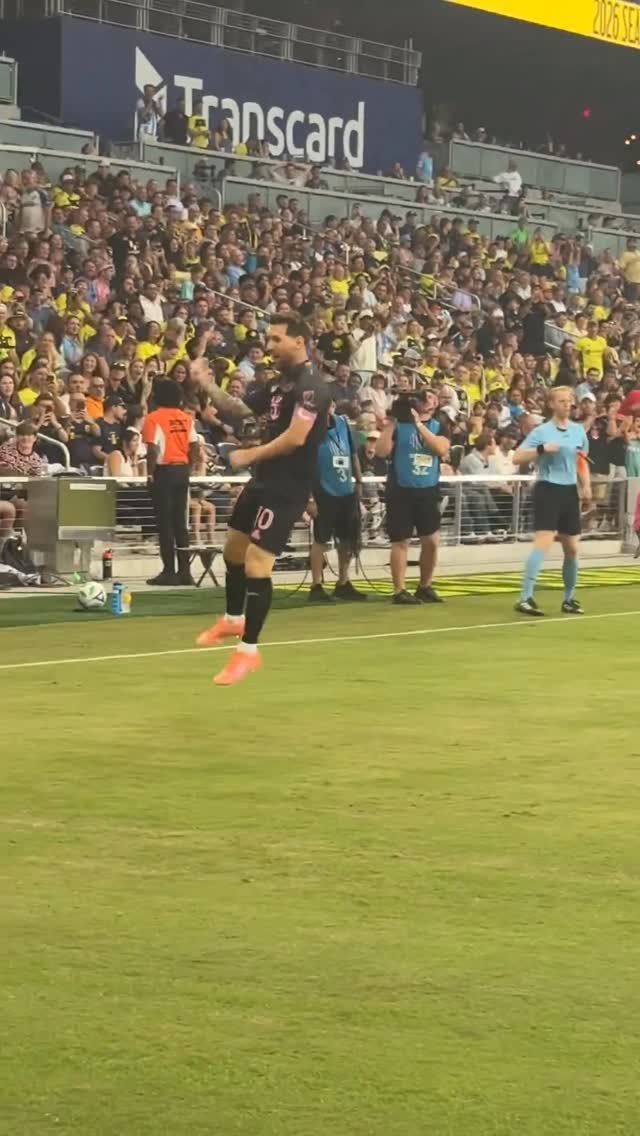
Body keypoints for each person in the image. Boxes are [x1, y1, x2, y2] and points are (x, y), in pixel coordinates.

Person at [196, 314, 331, 686]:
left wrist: (247, 457)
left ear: (299, 341)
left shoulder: (312, 387)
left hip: (288, 486)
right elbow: (241, 409)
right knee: (233, 551)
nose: (268, 347)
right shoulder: (278, 384)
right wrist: (207, 385)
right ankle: (233, 619)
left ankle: (248, 652)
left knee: (257, 564)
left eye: (275, 339)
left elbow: (295, 438)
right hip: (263, 480)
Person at [513, 386, 591, 617]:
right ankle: (525, 597)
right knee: (544, 542)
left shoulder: (578, 431)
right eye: (562, 401)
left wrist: (585, 485)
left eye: (569, 401)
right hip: (548, 488)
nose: (567, 405)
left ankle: (569, 598)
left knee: (572, 548)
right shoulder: (542, 431)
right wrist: (541, 449)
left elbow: (580, 459)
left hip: (568, 491)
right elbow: (517, 456)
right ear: (552, 404)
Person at [376, 389, 450, 605]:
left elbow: (440, 448)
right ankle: (399, 590)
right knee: (400, 541)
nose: (429, 402)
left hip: (427, 488)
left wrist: (419, 425)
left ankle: (425, 585)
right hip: (400, 489)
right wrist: (391, 423)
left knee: (432, 541)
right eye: (425, 398)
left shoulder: (439, 423)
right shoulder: (399, 425)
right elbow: (381, 452)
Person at [308, 399, 367, 605]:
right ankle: (316, 585)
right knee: (321, 539)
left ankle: (343, 581)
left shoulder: (342, 423)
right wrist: (309, 498)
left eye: (330, 406)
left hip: (345, 489)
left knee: (347, 539)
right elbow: (305, 463)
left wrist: (359, 481)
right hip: (323, 490)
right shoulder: (311, 429)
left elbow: (352, 454)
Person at [142, 378, 200, 587]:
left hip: (164, 471)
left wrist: (149, 474)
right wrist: (190, 467)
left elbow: (152, 450)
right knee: (180, 523)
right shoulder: (185, 418)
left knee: (165, 524)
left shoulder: (153, 418)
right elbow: (195, 445)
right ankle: (185, 572)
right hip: (182, 470)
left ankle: (169, 571)